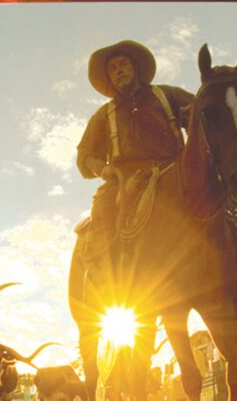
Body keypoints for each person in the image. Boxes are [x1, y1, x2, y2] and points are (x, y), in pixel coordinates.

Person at [76, 40, 194, 288]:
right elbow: (84, 154)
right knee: (102, 209)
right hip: (125, 181)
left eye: (123, 64)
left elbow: (201, 114)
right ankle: (102, 279)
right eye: (113, 68)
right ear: (109, 77)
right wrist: (102, 168)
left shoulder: (167, 95)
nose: (119, 70)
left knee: (218, 209)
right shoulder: (103, 115)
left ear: (135, 68)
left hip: (175, 172)